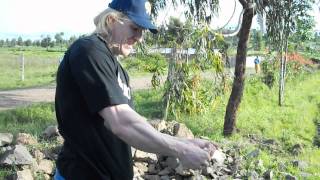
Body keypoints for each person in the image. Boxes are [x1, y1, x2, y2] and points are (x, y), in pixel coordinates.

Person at [54, 0, 217, 179]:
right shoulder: (89, 50)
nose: (139, 37)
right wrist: (182, 150)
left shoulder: (118, 70)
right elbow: (120, 121)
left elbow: (133, 124)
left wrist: (187, 143)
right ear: (111, 21)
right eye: (135, 28)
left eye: (142, 31)